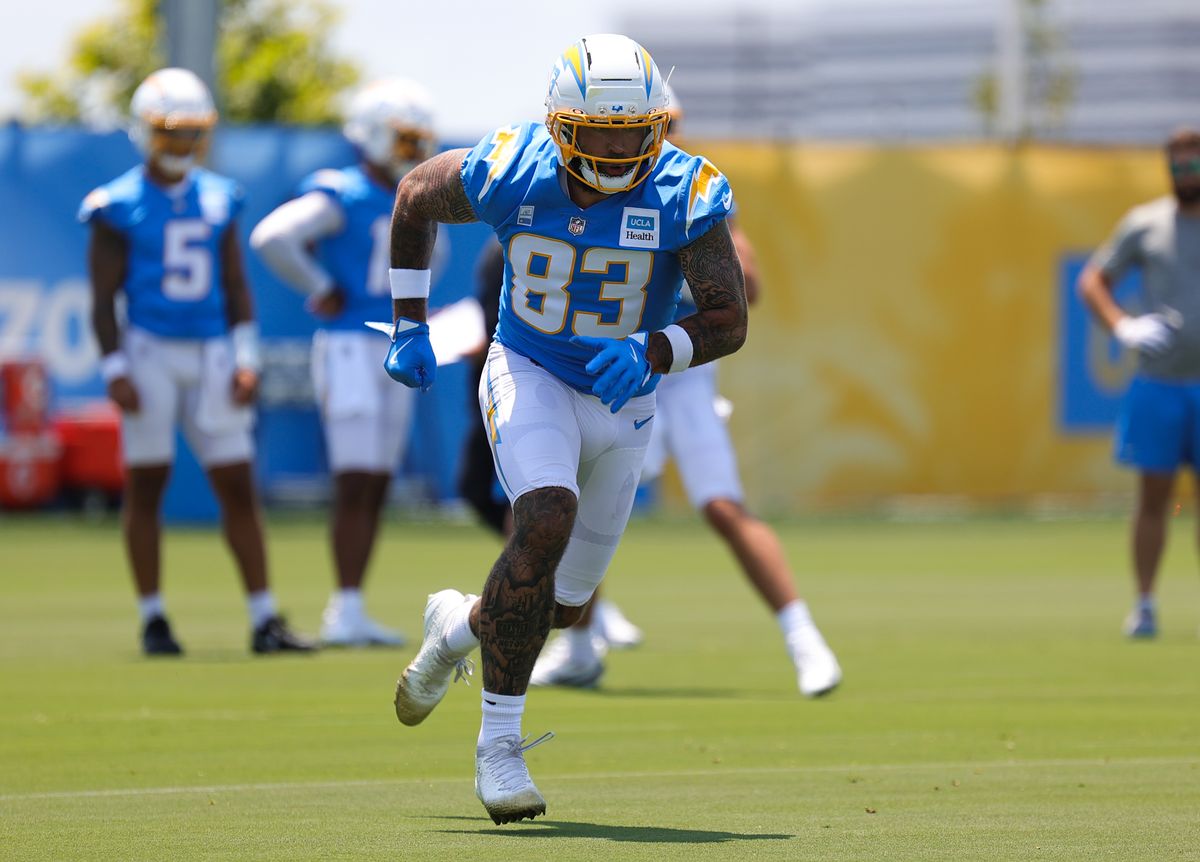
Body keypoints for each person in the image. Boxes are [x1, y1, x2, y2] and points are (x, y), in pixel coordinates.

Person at [381, 34, 747, 825]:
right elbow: (413, 193)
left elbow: (728, 319)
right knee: (545, 519)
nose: (619, 148)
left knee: (566, 606)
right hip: (530, 367)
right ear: (560, 126)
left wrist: (654, 348)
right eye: (600, 131)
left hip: (626, 397)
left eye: (633, 131)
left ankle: (456, 626)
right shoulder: (511, 168)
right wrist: (408, 323)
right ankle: (499, 750)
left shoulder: (686, 190)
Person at [530, 84, 842, 696]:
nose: (634, 141)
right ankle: (580, 642)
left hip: (678, 367)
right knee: (572, 494)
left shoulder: (688, 188)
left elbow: (746, 287)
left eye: (656, 124)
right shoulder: (567, 182)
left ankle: (803, 637)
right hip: (605, 365)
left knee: (721, 503)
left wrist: (686, 282)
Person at [81, 68, 316, 657]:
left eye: (193, 133)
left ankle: (265, 618)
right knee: (147, 484)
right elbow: (102, 299)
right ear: (145, 132)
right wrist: (114, 369)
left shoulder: (219, 196)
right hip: (149, 352)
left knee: (237, 484)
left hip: (212, 351)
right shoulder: (117, 204)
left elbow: (237, 286)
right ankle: (153, 617)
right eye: (171, 133)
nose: (183, 146)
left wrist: (244, 357)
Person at [250, 79, 437, 647]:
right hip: (351, 345)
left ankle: (351, 604)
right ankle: (344, 606)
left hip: (393, 343)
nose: (411, 150)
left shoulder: (416, 194)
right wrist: (320, 284)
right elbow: (272, 236)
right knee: (356, 477)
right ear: (374, 136)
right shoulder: (344, 191)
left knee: (378, 479)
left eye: (417, 139)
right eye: (403, 139)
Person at [454, 239, 645, 648]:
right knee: (529, 506)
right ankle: (537, 590)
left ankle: (570, 613)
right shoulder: (512, 235)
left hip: (606, 392)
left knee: (560, 569)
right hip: (525, 387)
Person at [1077, 127, 1200, 639]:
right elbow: (1092, 280)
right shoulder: (1145, 223)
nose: (1185, 173)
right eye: (1178, 164)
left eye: (1193, 163)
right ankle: (1145, 603)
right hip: (1160, 383)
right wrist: (1122, 325)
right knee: (1155, 496)